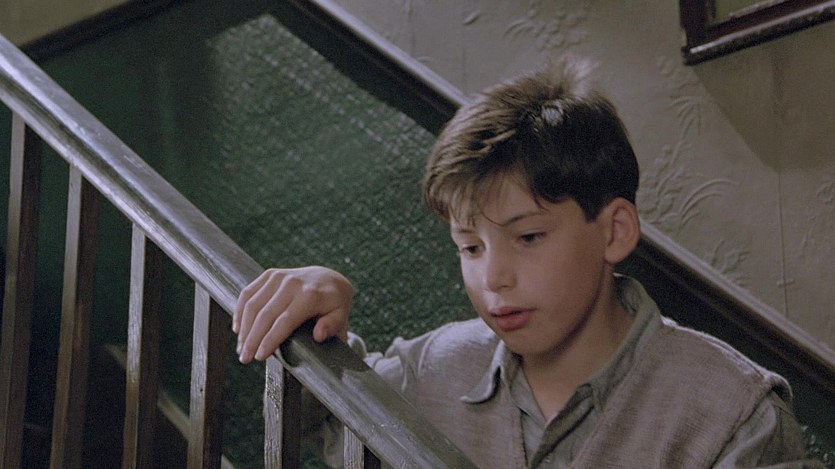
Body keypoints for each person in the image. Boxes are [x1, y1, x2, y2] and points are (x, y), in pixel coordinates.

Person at [234, 57, 820, 468]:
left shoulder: (735, 415)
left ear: (615, 231)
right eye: (470, 247)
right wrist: (314, 310)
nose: (493, 278)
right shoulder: (435, 367)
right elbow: (316, 419)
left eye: (529, 237)